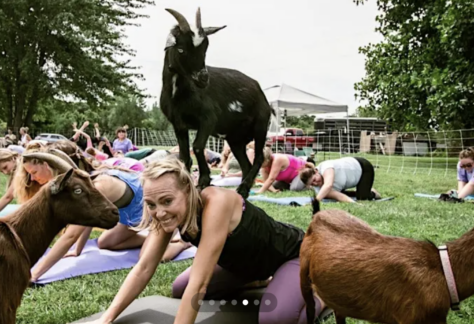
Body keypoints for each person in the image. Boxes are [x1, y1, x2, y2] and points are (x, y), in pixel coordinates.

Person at [81, 157, 331, 324]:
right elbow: (144, 267)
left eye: (167, 201)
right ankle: (260, 280)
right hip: (247, 265)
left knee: (275, 319)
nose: (159, 212)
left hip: (291, 254)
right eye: (151, 204)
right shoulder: (165, 214)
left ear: (188, 192)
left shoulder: (217, 202)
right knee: (180, 288)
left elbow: (199, 285)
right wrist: (107, 319)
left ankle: (321, 293)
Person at [9, 143, 190, 282]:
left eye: (33, 172)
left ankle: (181, 242)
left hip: (151, 213)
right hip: (130, 218)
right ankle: (150, 241)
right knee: (105, 242)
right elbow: (90, 216)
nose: (32, 178)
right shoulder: (81, 185)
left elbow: (70, 236)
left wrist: (34, 273)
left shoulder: (97, 185)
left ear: (48, 167)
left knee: (150, 257)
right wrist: (77, 251)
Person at [299, 156, 381, 203]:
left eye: (314, 180)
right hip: (347, 180)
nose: (315, 183)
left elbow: (328, 185)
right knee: (329, 197)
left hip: (362, 167)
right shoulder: (319, 189)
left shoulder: (326, 167)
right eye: (312, 184)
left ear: (316, 171)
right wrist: (353, 203)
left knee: (363, 197)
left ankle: (373, 193)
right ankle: (360, 191)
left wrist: (315, 202)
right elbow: (338, 196)